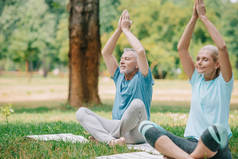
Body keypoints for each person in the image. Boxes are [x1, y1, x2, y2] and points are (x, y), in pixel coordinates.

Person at [139, 0, 233, 158]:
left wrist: (204, 18)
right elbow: (182, 48)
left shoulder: (224, 82)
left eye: (205, 59)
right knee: (146, 126)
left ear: (217, 64)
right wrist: (193, 18)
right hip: (190, 144)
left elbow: (222, 47)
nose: (199, 63)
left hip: (216, 147)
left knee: (214, 131)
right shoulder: (197, 79)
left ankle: (180, 156)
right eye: (198, 59)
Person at [76, 10, 153, 146]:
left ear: (137, 66)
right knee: (81, 112)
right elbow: (106, 52)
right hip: (118, 128)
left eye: (127, 59)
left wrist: (126, 30)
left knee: (137, 104)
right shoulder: (119, 76)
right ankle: (111, 141)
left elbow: (140, 51)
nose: (122, 61)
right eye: (121, 59)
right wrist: (118, 30)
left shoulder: (143, 78)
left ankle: (105, 136)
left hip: (138, 131)